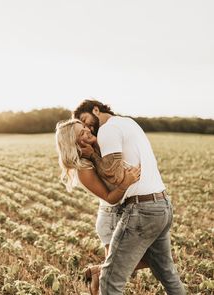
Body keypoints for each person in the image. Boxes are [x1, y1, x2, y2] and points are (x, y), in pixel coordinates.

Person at [73, 99, 186, 295]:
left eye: (85, 121)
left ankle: (97, 271)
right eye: (82, 127)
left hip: (142, 210)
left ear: (96, 109)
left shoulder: (108, 129)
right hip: (162, 204)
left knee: (109, 280)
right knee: (167, 274)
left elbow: (115, 176)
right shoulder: (129, 122)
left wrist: (92, 156)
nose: (87, 127)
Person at [55, 118, 146, 295]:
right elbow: (110, 198)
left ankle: (98, 271)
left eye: (85, 128)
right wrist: (125, 183)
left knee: (120, 271)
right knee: (117, 274)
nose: (88, 131)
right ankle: (99, 272)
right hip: (111, 218)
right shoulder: (83, 170)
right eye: (82, 133)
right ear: (73, 143)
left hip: (120, 214)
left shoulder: (97, 151)